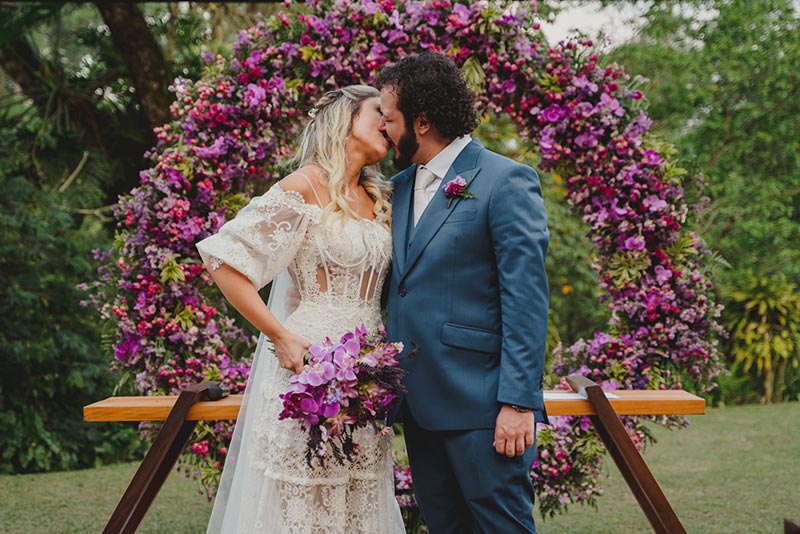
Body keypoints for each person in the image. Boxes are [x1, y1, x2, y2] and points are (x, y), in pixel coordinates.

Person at [196, 85, 404, 534]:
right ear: (345, 120)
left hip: (369, 370)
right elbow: (223, 261)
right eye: (379, 114)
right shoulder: (303, 187)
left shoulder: (379, 197)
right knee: (305, 500)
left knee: (358, 497)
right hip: (309, 365)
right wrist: (280, 334)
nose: (388, 125)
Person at [377, 52, 550, 533]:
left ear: (423, 120)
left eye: (389, 119)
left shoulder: (505, 181)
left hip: (483, 407)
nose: (384, 130)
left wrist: (518, 403)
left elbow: (527, 300)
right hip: (417, 403)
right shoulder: (398, 189)